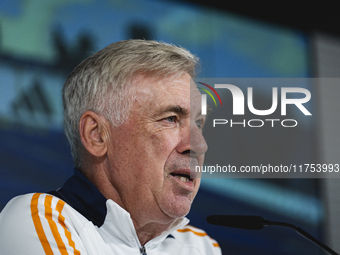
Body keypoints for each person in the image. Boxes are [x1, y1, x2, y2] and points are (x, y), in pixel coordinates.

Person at [0, 39, 222, 255]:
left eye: (199, 123)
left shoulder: (201, 246)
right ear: (96, 135)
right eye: (171, 119)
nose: (199, 145)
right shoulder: (39, 220)